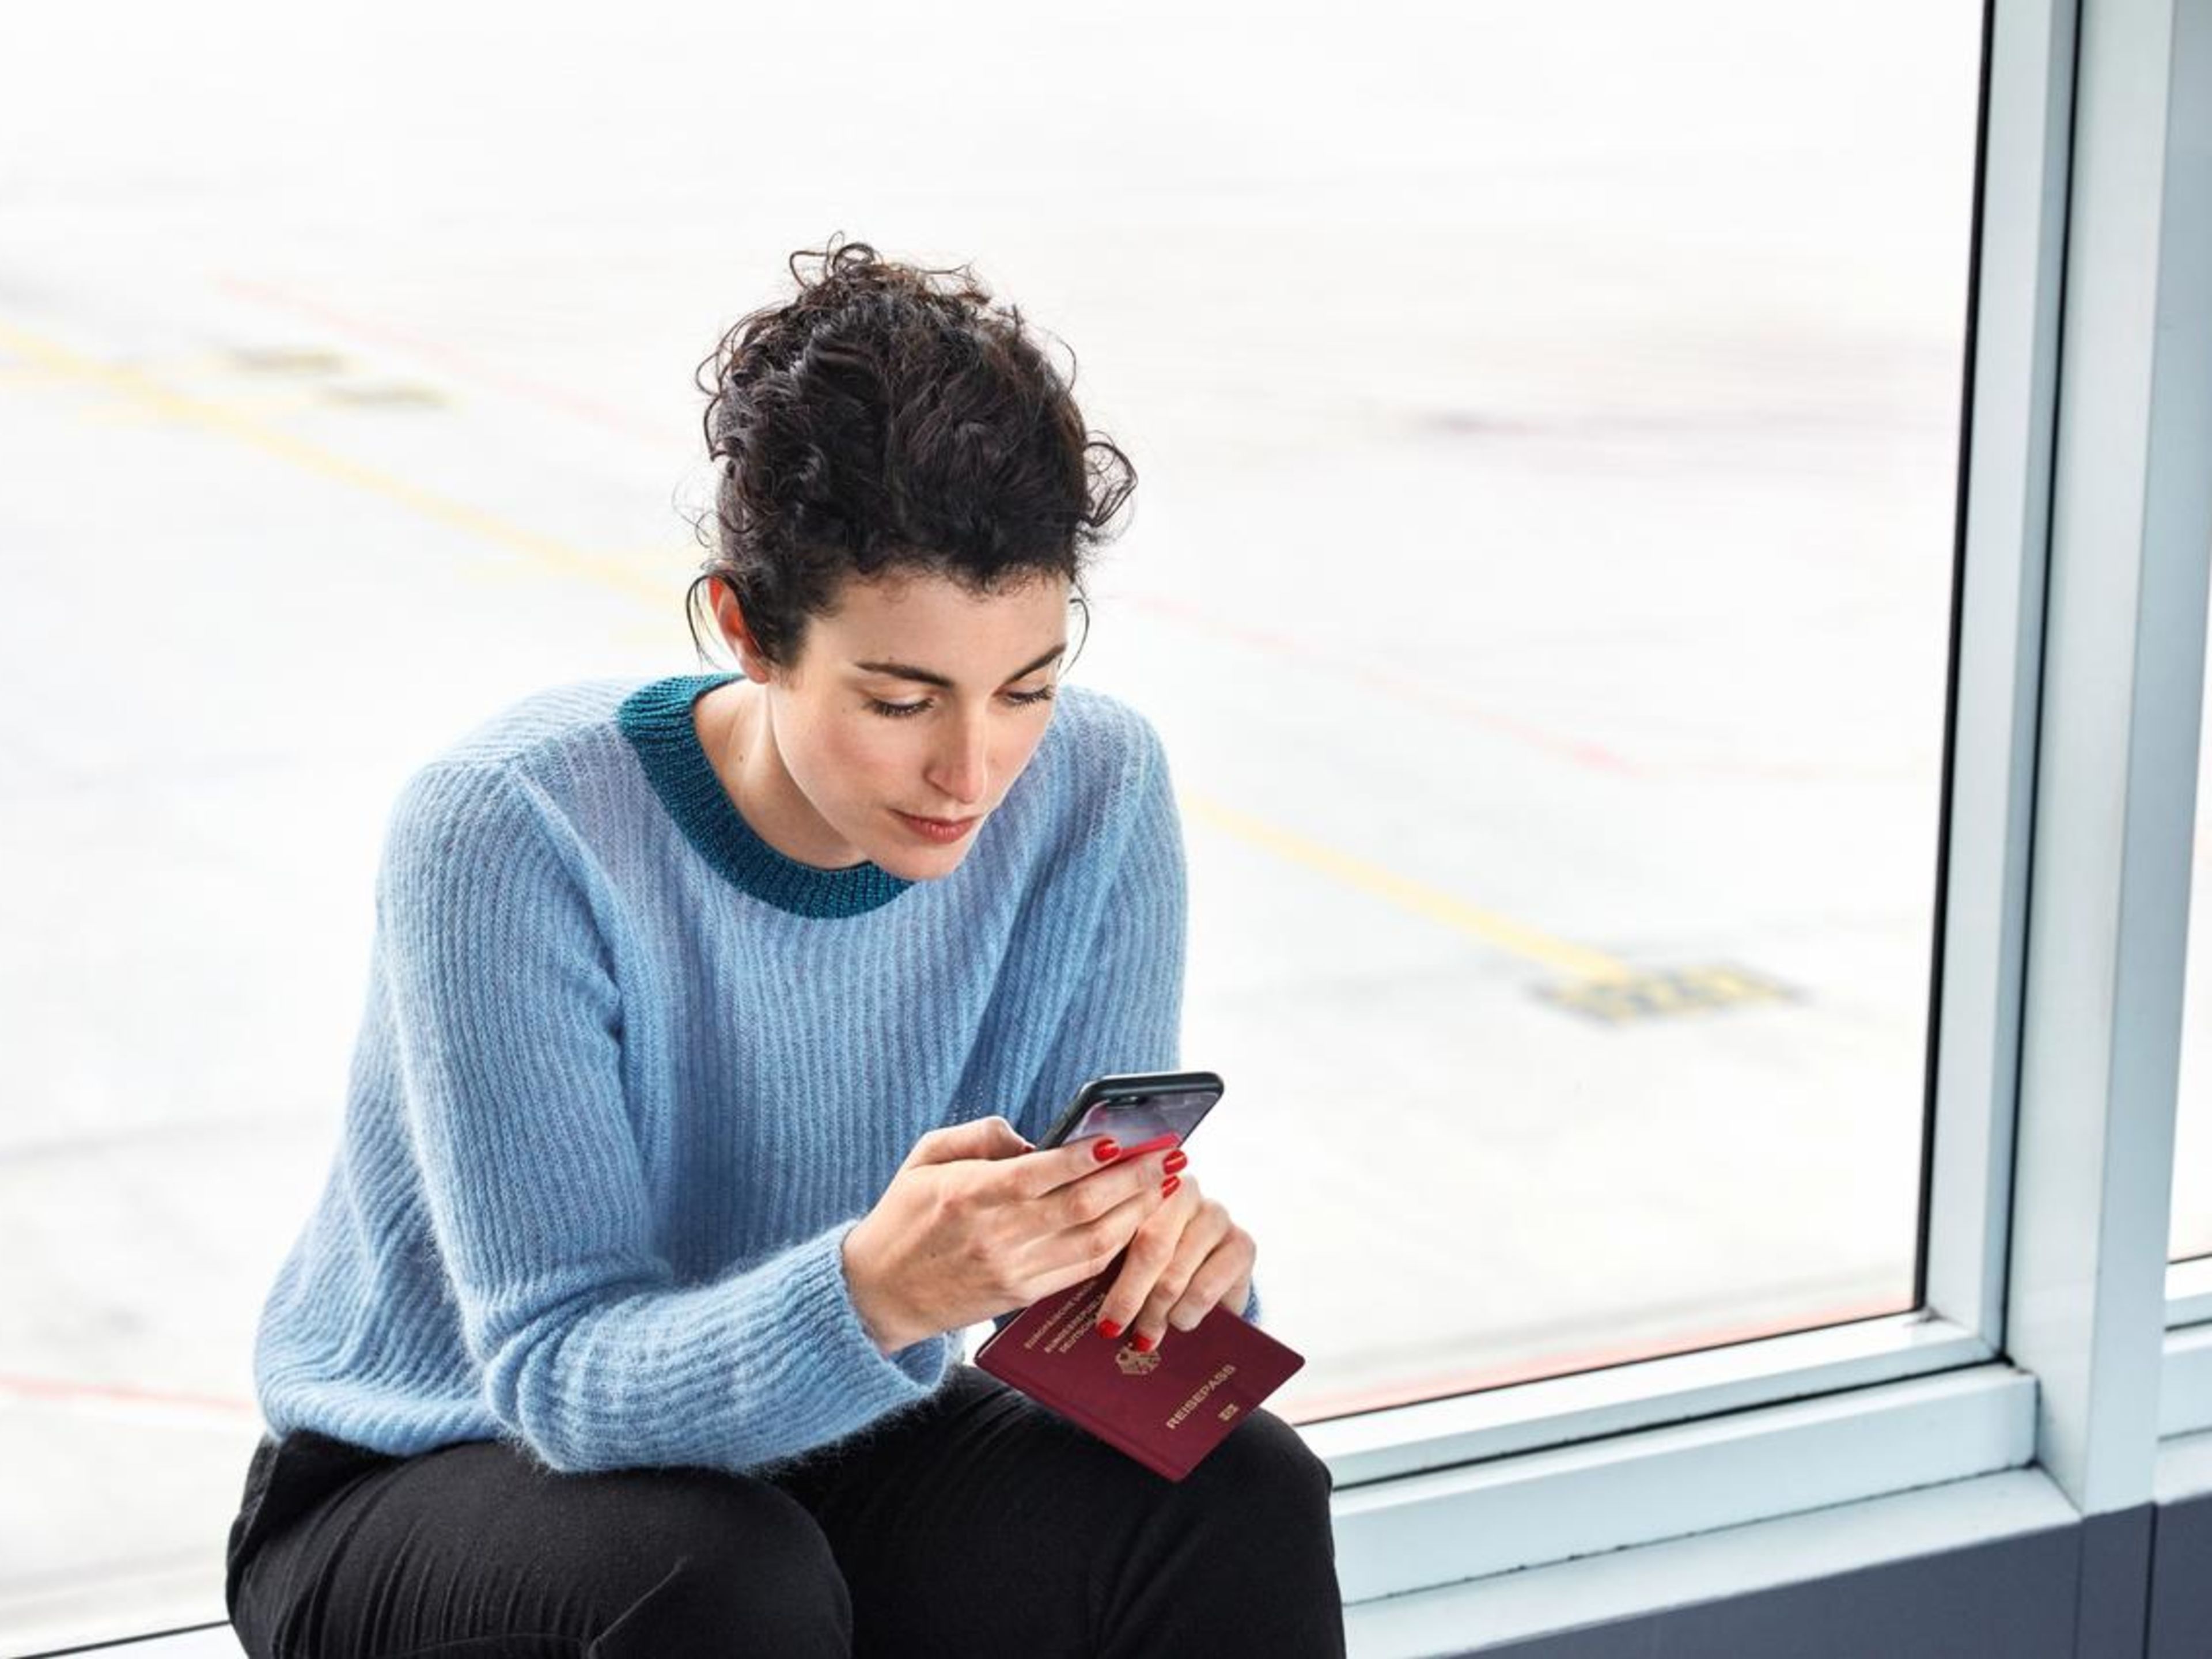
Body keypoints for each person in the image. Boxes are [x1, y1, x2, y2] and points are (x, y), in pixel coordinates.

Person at [223, 237, 1345, 1658]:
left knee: (1237, 1488)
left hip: (841, 1436)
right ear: (747, 630)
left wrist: (1173, 1284)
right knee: (717, 1578)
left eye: (1029, 686)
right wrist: (882, 1289)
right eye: (899, 698)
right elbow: (560, 1378)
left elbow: (1065, 1325)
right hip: (431, 1472)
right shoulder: (511, 831)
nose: (973, 768)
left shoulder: (1097, 790)